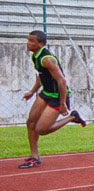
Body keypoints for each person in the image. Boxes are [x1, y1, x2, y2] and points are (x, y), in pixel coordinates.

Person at [19, 30, 87, 169]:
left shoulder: (47, 59)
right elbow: (41, 75)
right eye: (28, 40)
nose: (28, 43)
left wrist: (62, 103)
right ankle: (34, 157)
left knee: (42, 129)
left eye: (32, 41)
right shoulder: (35, 57)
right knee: (31, 123)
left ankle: (72, 117)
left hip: (58, 96)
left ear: (41, 44)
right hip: (46, 93)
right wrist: (33, 91)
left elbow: (61, 81)